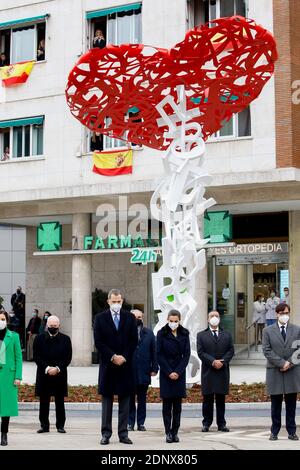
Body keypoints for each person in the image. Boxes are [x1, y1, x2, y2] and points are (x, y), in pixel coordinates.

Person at [93, 289, 138, 445]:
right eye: (114, 302)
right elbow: (99, 342)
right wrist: (113, 356)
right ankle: (106, 433)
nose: (117, 304)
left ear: (122, 301)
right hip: (108, 366)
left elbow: (133, 341)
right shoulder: (100, 318)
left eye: (119, 301)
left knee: (125, 401)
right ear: (108, 302)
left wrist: (123, 357)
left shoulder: (130, 318)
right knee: (107, 401)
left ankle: (123, 433)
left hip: (125, 365)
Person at [262, 303, 300, 441]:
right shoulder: (267, 331)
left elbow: (299, 350)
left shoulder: (296, 329)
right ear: (277, 314)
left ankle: (291, 431)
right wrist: (281, 363)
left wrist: (288, 363)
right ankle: (274, 431)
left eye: (287, 313)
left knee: (291, 405)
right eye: (283, 313)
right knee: (275, 405)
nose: (285, 315)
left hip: (292, 371)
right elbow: (266, 350)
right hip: (275, 371)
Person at [33, 315, 72, 434]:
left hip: (59, 374)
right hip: (44, 374)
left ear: (59, 326)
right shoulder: (39, 338)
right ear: (47, 326)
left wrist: (57, 368)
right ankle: (44, 426)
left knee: (60, 401)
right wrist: (47, 368)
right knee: (44, 401)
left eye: (55, 326)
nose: (53, 328)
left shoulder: (66, 339)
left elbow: (68, 357)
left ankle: (60, 426)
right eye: (51, 326)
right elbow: (36, 356)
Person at [197, 311, 234, 433]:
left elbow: (230, 350)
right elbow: (201, 352)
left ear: (220, 319)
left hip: (222, 371)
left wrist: (222, 362)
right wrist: (213, 361)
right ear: (207, 319)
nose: (214, 318)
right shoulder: (201, 335)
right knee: (207, 399)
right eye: (211, 316)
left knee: (220, 399)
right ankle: (206, 423)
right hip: (208, 371)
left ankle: (221, 424)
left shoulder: (227, 334)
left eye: (216, 316)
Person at [156, 309, 190, 443]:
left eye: (176, 321)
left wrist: (178, 371)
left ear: (179, 320)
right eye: (171, 321)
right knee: (166, 406)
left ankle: (175, 432)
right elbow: (159, 354)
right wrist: (169, 371)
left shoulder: (184, 333)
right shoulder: (161, 333)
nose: (173, 323)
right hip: (166, 373)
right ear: (167, 320)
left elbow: (186, 355)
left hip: (179, 373)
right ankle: (168, 432)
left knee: (177, 407)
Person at [128, 309, 158, 431]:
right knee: (129, 399)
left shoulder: (149, 333)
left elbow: (154, 352)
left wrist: (154, 367)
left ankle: (141, 423)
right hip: (129, 371)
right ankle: (130, 423)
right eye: (135, 317)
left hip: (144, 371)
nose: (138, 319)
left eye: (140, 317)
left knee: (142, 399)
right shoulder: (125, 332)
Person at [0, 310, 22, 446]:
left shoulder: (14, 336)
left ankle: (4, 434)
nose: (1, 321)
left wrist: (18, 376)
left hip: (8, 376)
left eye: (3, 319)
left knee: (6, 408)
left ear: (7, 321)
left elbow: (18, 358)